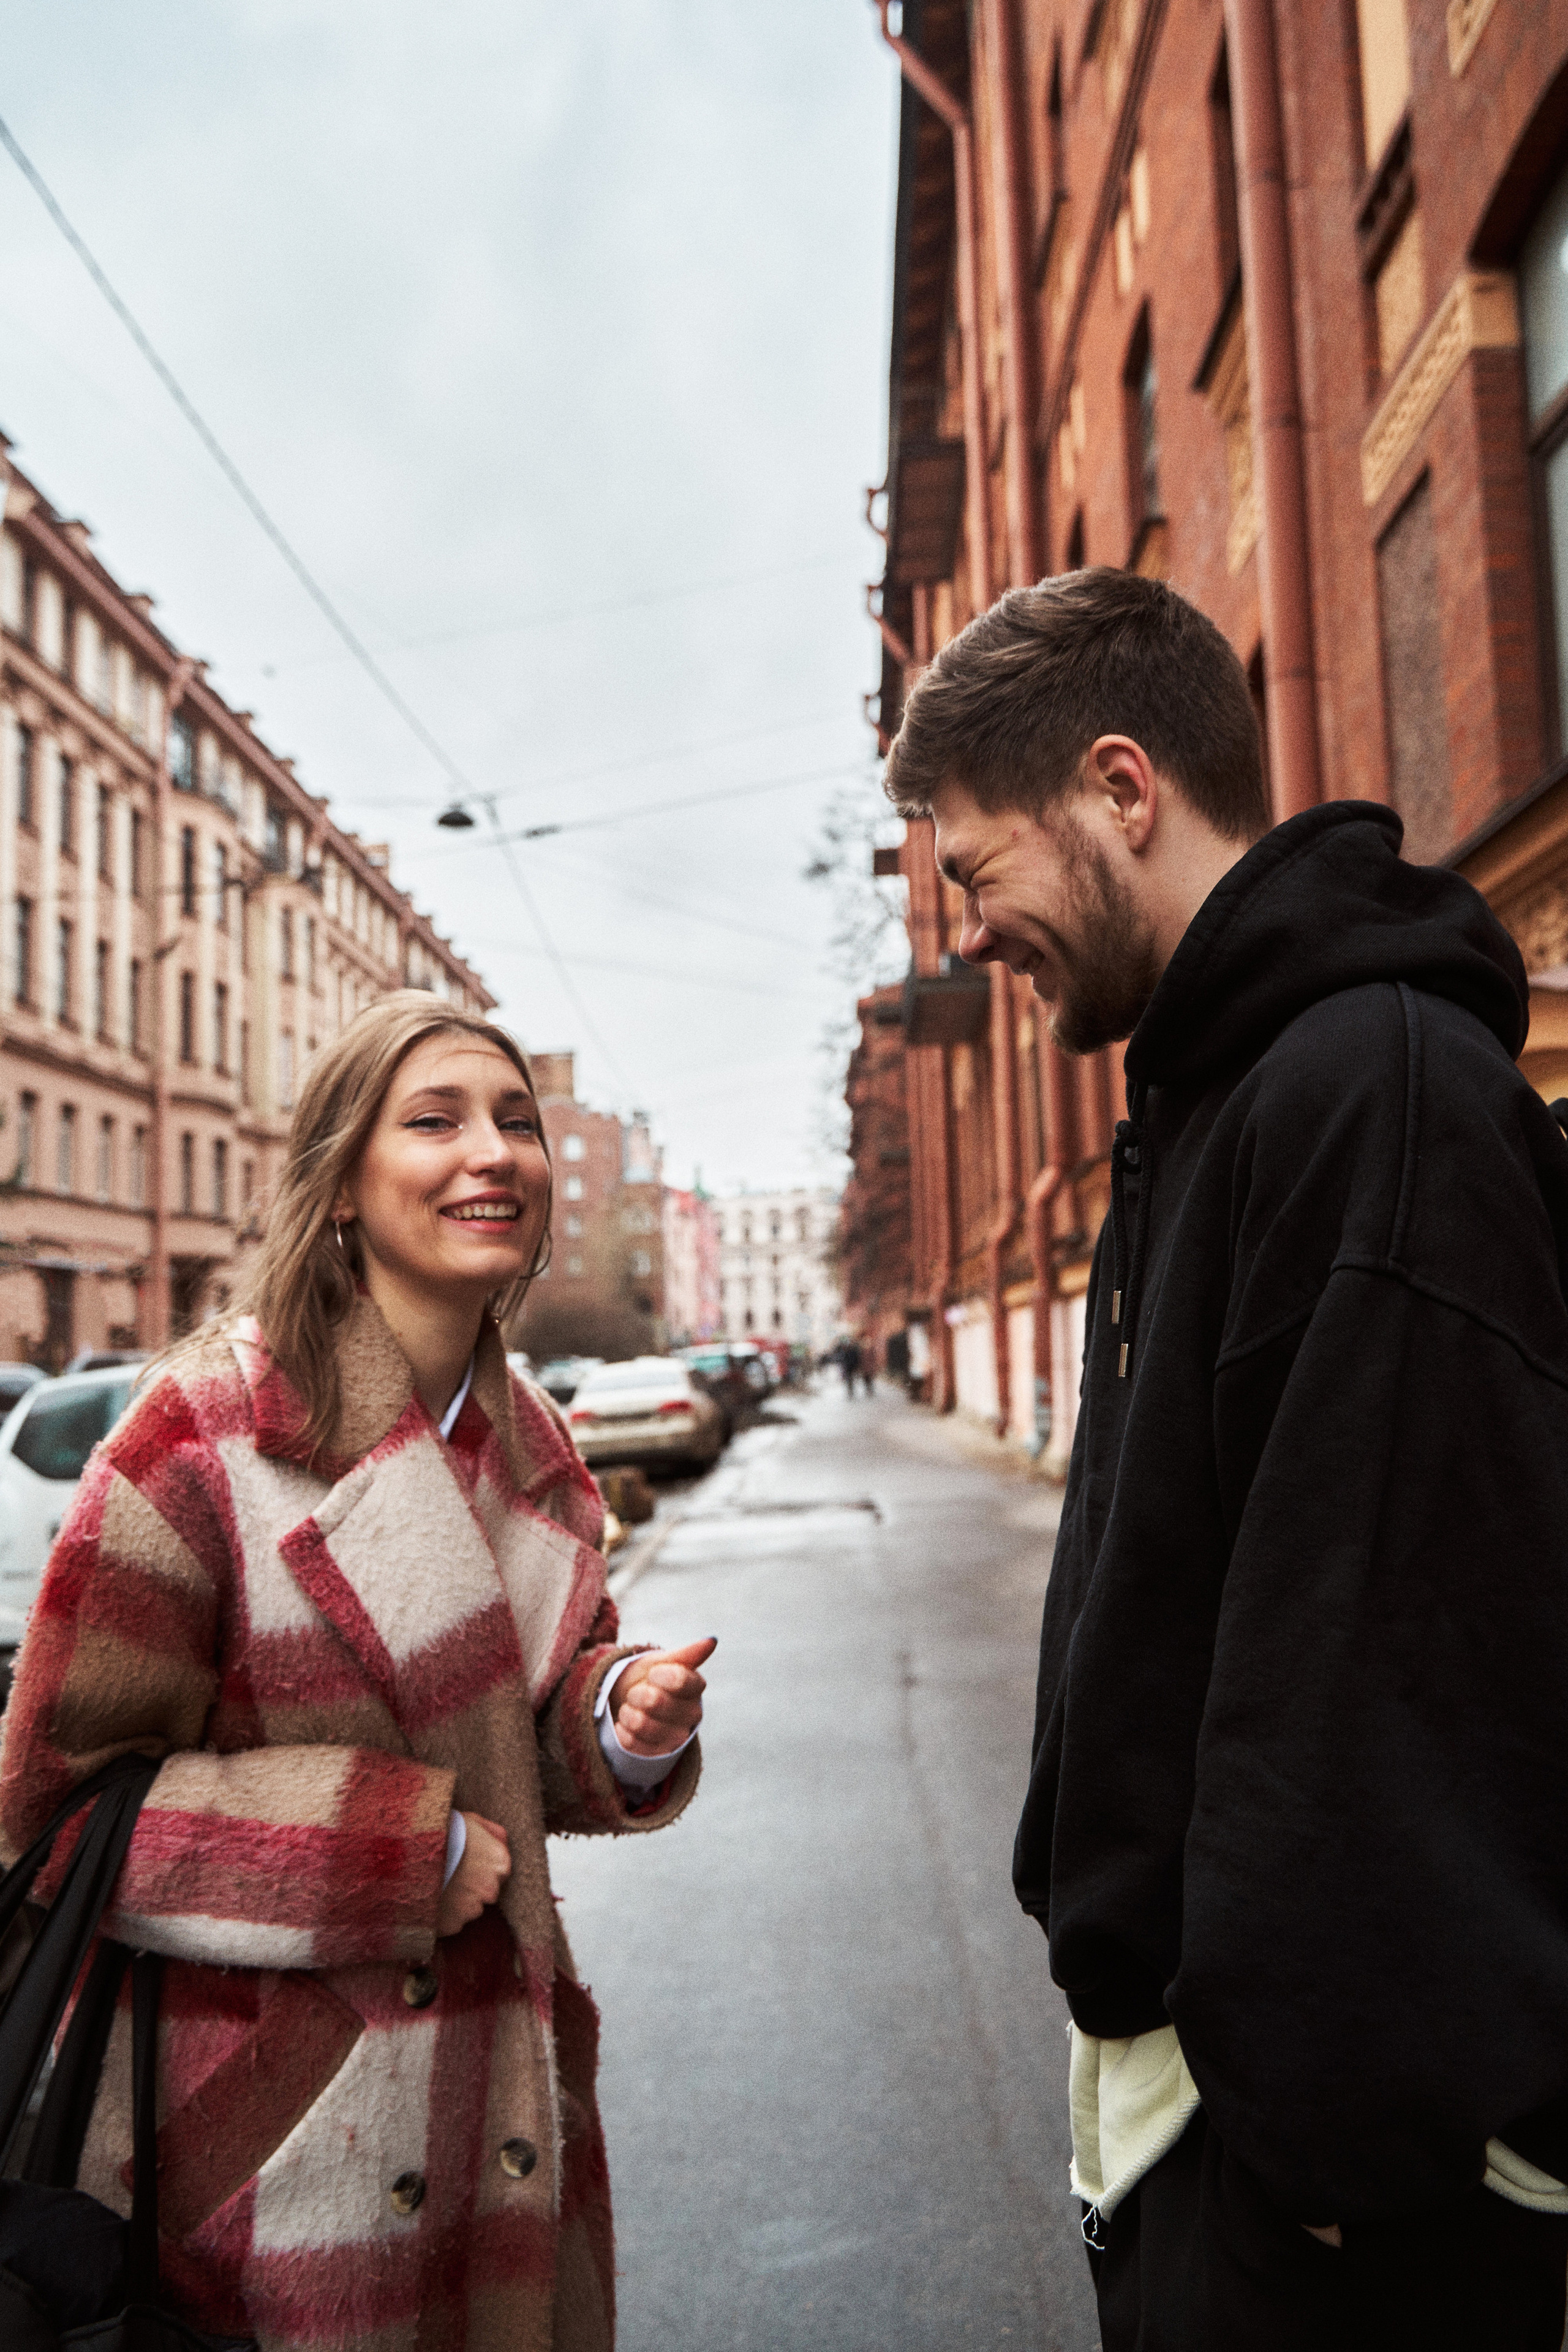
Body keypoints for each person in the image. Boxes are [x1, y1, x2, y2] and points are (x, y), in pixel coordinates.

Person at [884, 569, 1568, 2351]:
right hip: (1234, 2109)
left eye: (980, 873)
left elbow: (1392, 1669)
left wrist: (1326, 2155)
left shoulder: (1373, 1088)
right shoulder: (1215, 1090)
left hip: (1344, 2180)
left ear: (1122, 790)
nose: (973, 935)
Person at [0, 994, 714, 2352]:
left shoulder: (540, 1446)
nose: (492, 1153)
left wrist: (616, 1726)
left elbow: (512, 1746)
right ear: (340, 1183)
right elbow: (59, 1809)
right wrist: (392, 1851)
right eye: (434, 1121)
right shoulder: (204, 1430)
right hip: (256, 2155)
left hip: (498, 2107)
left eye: (514, 1121)